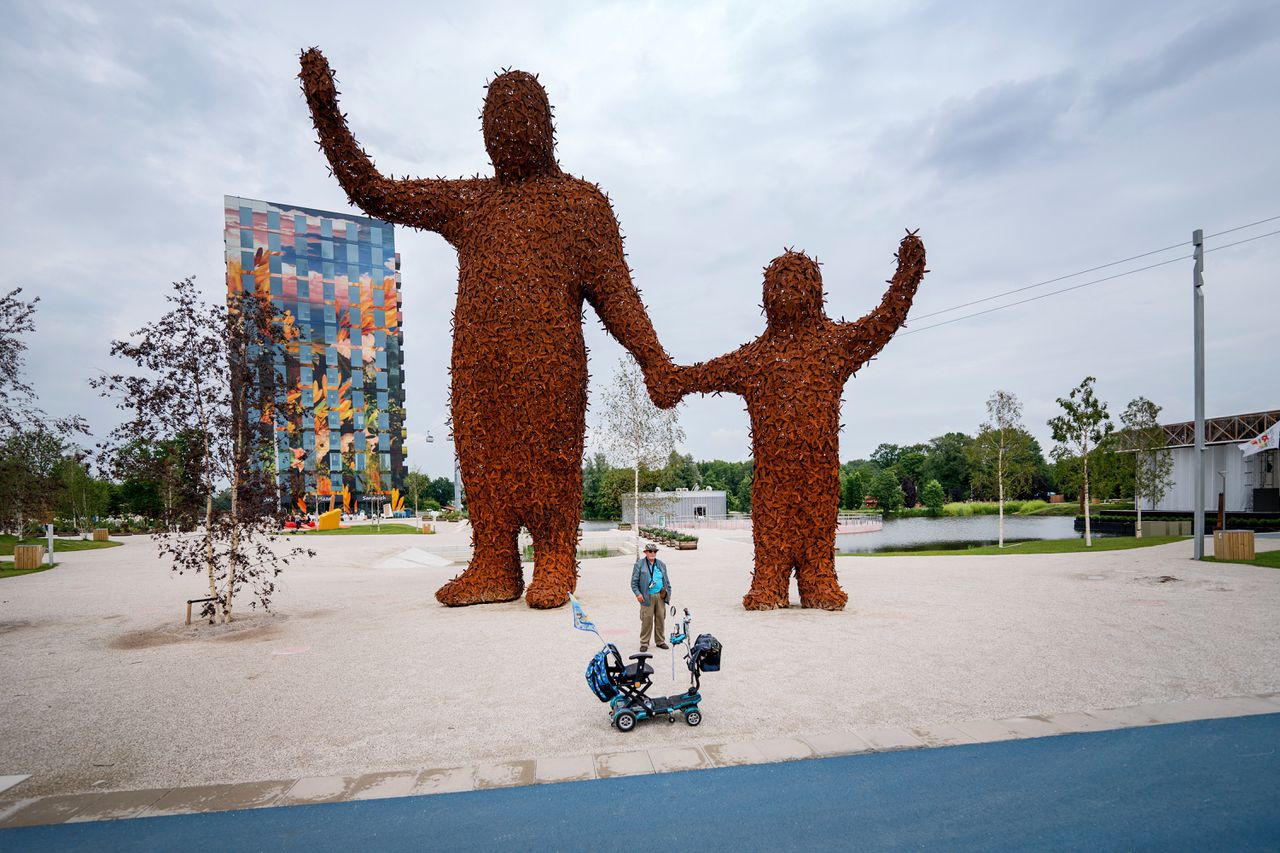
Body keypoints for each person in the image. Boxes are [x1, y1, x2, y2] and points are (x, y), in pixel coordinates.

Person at [631, 544, 672, 652]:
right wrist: (638, 594)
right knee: (646, 620)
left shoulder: (661, 564)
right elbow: (634, 583)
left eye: (654, 551)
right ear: (645, 552)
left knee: (660, 619)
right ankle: (644, 642)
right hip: (646, 597)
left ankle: (660, 641)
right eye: (650, 551)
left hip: (660, 596)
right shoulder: (639, 565)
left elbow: (667, 581)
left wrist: (667, 593)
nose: (652, 553)